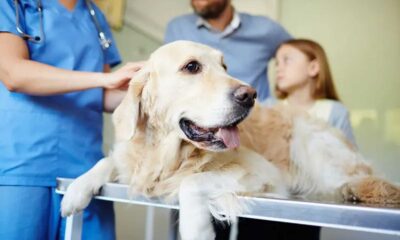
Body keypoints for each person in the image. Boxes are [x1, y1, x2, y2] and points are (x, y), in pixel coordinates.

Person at [0, 0, 143, 239]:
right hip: (25, 166)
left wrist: (149, 93)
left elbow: (105, 94)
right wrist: (103, 79)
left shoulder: (94, 15)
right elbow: (13, 73)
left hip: (86, 171)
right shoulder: (13, 4)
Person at [164, 0, 291, 101]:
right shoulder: (177, 28)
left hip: (259, 123)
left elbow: (302, 57)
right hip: (205, 123)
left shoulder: (266, 29)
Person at [265, 38, 357, 146]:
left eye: (287, 60)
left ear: (313, 68)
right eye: (277, 63)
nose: (278, 68)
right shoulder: (268, 108)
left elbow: (350, 158)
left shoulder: (336, 112)